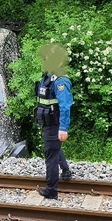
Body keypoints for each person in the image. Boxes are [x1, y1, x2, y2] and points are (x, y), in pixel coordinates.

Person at [34, 43, 73, 199]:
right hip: (47, 122)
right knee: (54, 148)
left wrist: (63, 128)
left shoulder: (60, 81)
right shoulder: (48, 76)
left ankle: (51, 190)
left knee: (50, 154)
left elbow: (65, 106)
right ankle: (66, 170)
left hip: (54, 123)